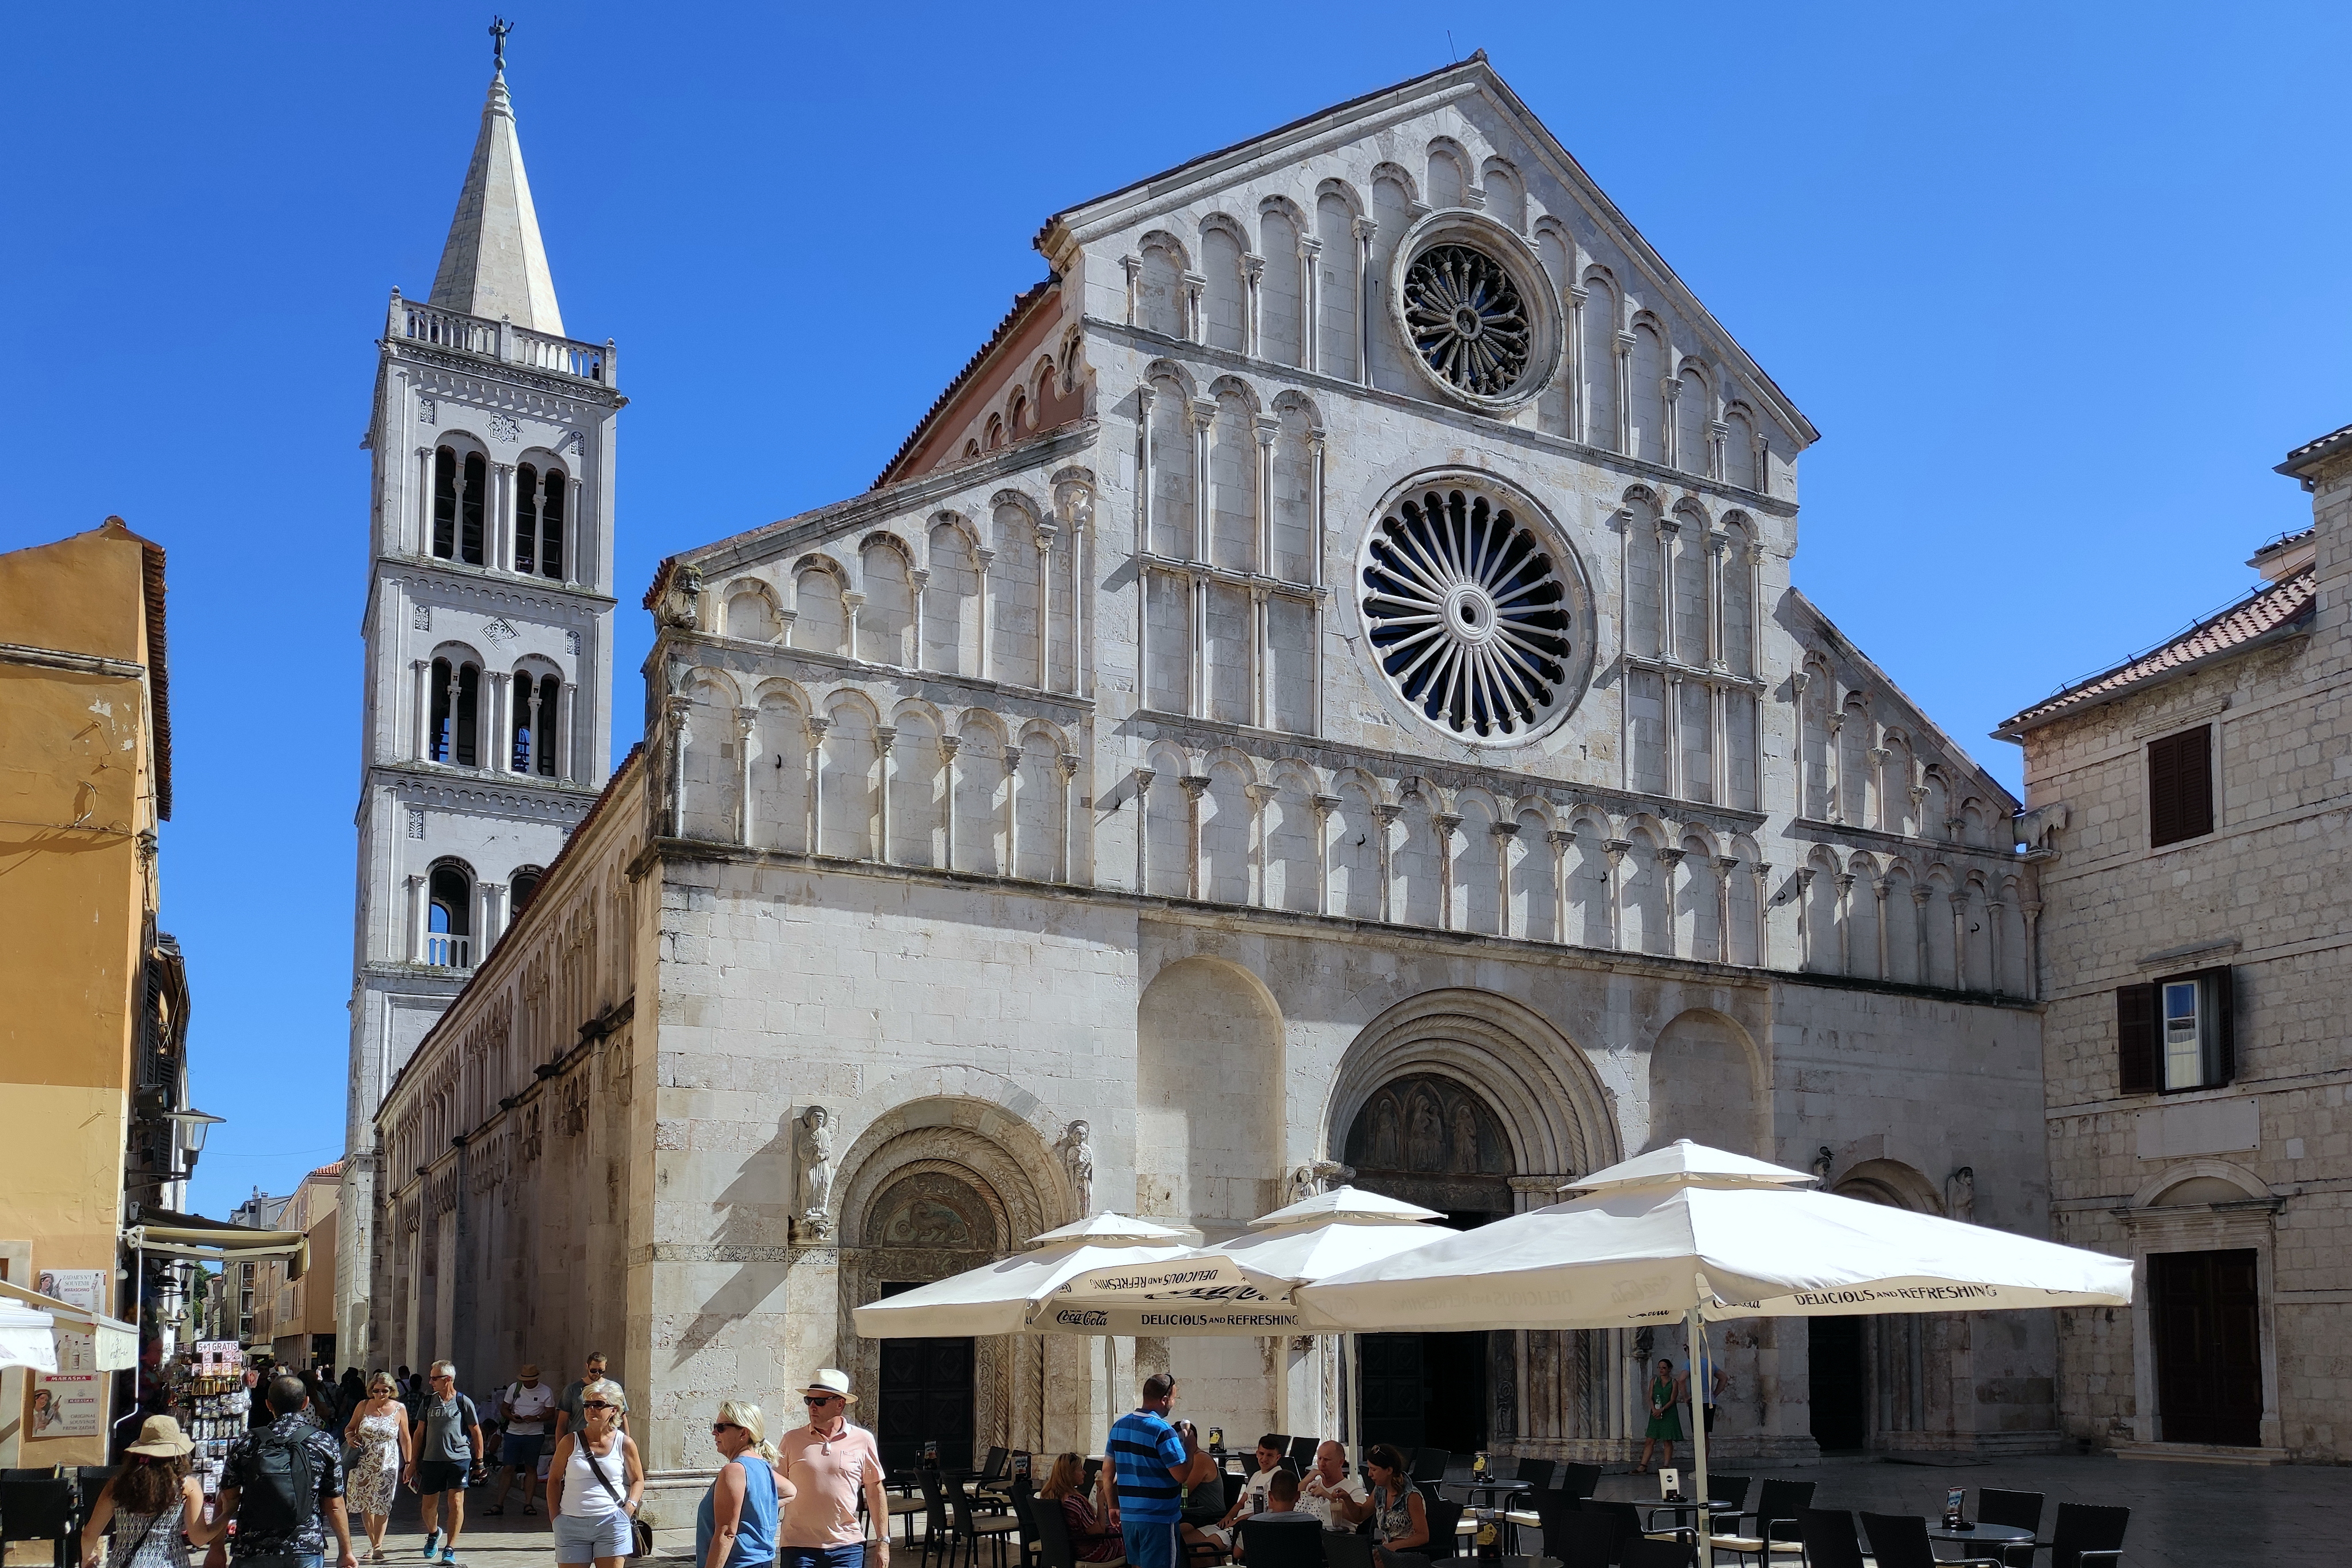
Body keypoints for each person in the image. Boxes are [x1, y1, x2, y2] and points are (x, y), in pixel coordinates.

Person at [217, 1375, 356, 1568]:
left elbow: (228, 1497)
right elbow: (334, 1504)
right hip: (304, 1546)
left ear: (268, 1405)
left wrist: (216, 1550)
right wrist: (346, 1552)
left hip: (252, 1547)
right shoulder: (323, 1443)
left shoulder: (247, 1442)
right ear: (305, 1403)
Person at [80, 1414, 222, 1568]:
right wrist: (227, 1513)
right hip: (169, 1562)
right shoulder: (187, 1487)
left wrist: (87, 1557)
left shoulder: (118, 1484)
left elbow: (90, 1534)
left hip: (123, 1563)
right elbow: (199, 1538)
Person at [776, 1370, 886, 1568]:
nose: (812, 1407)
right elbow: (774, 1490)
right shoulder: (791, 1440)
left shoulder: (863, 1439)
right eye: (808, 1400)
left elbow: (875, 1492)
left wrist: (883, 1543)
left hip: (847, 1546)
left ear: (840, 1404)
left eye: (820, 1402)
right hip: (798, 1547)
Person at [550, 1378, 647, 1568]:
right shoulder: (570, 1442)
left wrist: (629, 1508)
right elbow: (554, 1480)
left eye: (599, 1405)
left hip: (612, 1523)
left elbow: (637, 1480)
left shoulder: (625, 1443)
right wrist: (555, 1518)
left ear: (614, 1410)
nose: (591, 1409)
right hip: (571, 1524)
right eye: (588, 1405)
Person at [1108, 1374, 1190, 1568]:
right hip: (1158, 1518)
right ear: (1164, 1400)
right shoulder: (1163, 1431)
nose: (1173, 1403)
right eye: (1173, 1398)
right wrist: (1190, 1448)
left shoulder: (1119, 1426)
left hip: (1129, 1517)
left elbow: (1107, 1472)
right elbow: (1182, 1475)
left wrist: (1113, 1506)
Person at [403, 1361, 482, 1565]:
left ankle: (450, 1548)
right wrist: (412, 1462)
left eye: (434, 1378)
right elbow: (419, 1433)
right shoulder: (428, 1402)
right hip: (432, 1459)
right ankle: (433, 1533)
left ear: (448, 1379)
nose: (430, 1382)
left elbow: (475, 1431)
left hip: (459, 1459)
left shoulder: (464, 1402)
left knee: (456, 1503)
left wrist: (480, 1461)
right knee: (428, 1506)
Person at [697, 1399, 789, 1568]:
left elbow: (726, 1533)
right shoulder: (762, 1465)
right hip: (762, 1562)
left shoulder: (734, 1470)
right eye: (715, 1426)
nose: (714, 1432)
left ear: (743, 1433)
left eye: (721, 1428)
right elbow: (791, 1491)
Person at [341, 1371, 413, 1563]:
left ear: (392, 1391)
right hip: (363, 1461)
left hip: (387, 1462)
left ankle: (378, 1545)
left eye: (384, 1391)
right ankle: (374, 1544)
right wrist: (350, 1438)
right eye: (376, 1391)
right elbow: (350, 1427)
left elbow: (405, 1438)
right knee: (367, 1504)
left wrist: (409, 1463)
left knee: (383, 1503)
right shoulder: (363, 1405)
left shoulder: (399, 1409)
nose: (380, 1395)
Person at [487, 1364, 558, 1517]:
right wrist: (512, 1417)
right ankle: (499, 1503)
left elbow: (551, 1413)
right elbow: (504, 1409)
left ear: (536, 1379)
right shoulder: (515, 1388)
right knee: (508, 1468)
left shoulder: (546, 1391)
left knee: (530, 1468)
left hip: (534, 1434)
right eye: (525, 1380)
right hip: (514, 1433)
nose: (527, 1383)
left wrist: (536, 1418)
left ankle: (528, 1504)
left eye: (530, 1380)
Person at [1040, 1454, 1123, 1566]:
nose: (1085, 1473)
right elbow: (1099, 1531)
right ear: (1069, 1474)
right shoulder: (1076, 1502)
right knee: (1133, 1538)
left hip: (1066, 1551)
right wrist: (1100, 1501)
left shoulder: (1047, 1496)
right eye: (1080, 1470)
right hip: (1091, 1553)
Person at [1359, 1446, 1429, 1568]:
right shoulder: (1380, 1491)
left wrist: (1392, 1547)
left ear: (1389, 1470)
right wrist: (1345, 1499)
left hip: (1407, 1555)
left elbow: (1423, 1536)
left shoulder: (1411, 1496)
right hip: (1387, 1552)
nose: (1369, 1474)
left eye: (1374, 1470)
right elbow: (1360, 1515)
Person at [1170, 1423, 1224, 1563]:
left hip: (1206, 1516)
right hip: (1188, 1514)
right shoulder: (1183, 1460)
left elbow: (1183, 1491)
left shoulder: (1200, 1458)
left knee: (1172, 1536)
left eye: (1180, 1440)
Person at [1230, 1471, 1302, 1563]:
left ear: (1270, 1496)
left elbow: (1237, 1554)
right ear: (1298, 1496)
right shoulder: (1311, 1521)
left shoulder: (1254, 1523)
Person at [556, 1352, 628, 1440]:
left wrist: (625, 1443)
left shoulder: (614, 1388)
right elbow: (562, 1424)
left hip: (608, 1439)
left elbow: (622, 1418)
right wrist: (560, 1449)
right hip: (579, 1440)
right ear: (587, 1366)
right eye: (594, 1370)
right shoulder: (572, 1390)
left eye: (601, 1371)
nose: (597, 1373)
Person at [1296, 1443, 1368, 1529]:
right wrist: (1305, 1481)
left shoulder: (1354, 1490)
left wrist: (1329, 1496)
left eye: (1326, 1460)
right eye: (1320, 1459)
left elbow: (1357, 1518)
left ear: (1340, 1462)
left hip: (1339, 1539)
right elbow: (1289, 1502)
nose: (1322, 1464)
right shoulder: (1311, 1485)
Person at [1638, 1357, 1682, 1474]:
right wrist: (1654, 1410)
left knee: (1667, 1440)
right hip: (1655, 1412)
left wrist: (1662, 1409)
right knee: (1650, 1439)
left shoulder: (1674, 1382)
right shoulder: (1654, 1380)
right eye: (1659, 1368)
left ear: (1669, 1369)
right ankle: (1643, 1466)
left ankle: (1666, 1465)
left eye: (1664, 1368)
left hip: (1668, 1413)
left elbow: (1673, 1399)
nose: (1661, 1370)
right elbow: (1650, 1396)